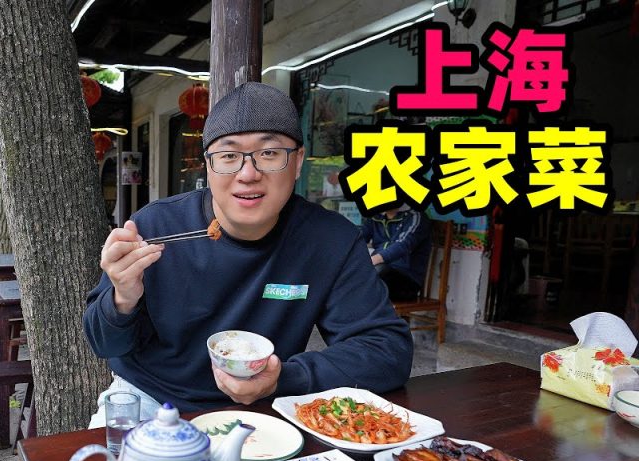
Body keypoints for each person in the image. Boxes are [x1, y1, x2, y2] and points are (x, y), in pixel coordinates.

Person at [82, 82, 412, 426]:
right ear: (207, 165)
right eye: (229, 156)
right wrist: (123, 298)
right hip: (150, 400)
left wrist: (285, 377)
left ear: (297, 162)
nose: (248, 174)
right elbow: (104, 344)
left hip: (264, 407)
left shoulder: (329, 239)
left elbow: (387, 351)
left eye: (269, 154)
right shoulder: (155, 224)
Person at [360, 207, 432, 301]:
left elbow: (403, 246)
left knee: (369, 276)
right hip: (380, 272)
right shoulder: (376, 216)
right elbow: (358, 239)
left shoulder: (416, 216)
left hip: (406, 281)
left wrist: (371, 261)